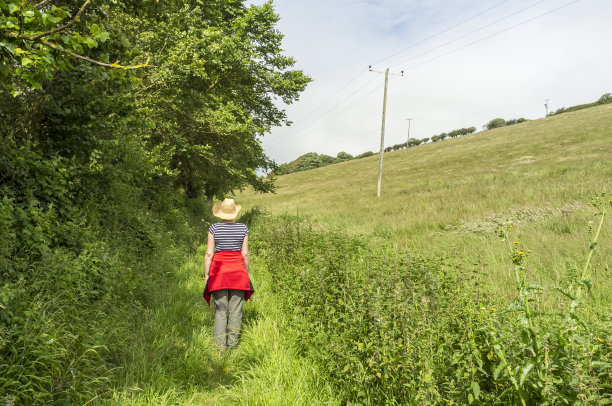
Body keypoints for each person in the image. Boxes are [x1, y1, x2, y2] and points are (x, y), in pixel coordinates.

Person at [203, 198, 254, 350]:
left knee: (220, 311)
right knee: (236, 311)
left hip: (219, 273)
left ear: (220, 213)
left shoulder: (213, 228)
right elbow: (245, 254)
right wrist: (245, 272)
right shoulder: (243, 228)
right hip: (238, 272)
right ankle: (232, 345)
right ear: (234, 213)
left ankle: (219, 347)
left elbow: (208, 254)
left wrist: (207, 275)